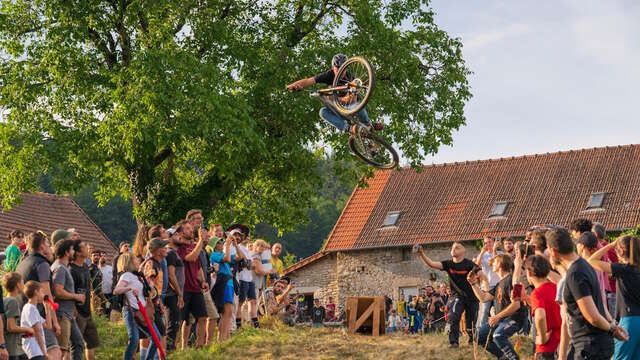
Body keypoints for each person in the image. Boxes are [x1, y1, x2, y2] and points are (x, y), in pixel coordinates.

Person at [546, 228, 626, 360]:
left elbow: (592, 316)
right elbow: (567, 317)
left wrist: (613, 330)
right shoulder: (583, 266)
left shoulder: (575, 274)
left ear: (553, 251)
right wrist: (561, 355)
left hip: (590, 346)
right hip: (588, 345)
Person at [286, 54, 383, 135]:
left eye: (343, 69)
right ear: (333, 68)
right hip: (338, 109)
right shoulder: (329, 75)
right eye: (338, 69)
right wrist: (294, 85)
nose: (341, 72)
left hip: (351, 105)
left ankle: (369, 124)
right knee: (323, 112)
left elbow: (352, 100)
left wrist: (340, 99)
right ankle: (348, 128)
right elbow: (308, 81)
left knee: (358, 105)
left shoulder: (350, 77)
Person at [588, 235, 640, 360]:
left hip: (629, 320)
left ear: (621, 251)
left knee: (620, 357)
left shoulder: (623, 269)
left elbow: (591, 261)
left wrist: (611, 245)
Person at [416, 243, 478, 347]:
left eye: (457, 247)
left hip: (471, 297)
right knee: (453, 316)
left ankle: (472, 339)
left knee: (470, 321)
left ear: (463, 251)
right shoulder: (448, 264)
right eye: (452, 248)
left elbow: (480, 274)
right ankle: (453, 342)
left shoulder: (469, 264)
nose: (454, 249)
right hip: (456, 296)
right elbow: (431, 264)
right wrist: (422, 254)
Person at [15, 232, 61, 360]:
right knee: (55, 352)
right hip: (37, 316)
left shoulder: (22, 263)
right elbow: (47, 294)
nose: (49, 246)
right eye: (47, 244)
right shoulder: (42, 264)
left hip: (21, 315)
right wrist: (55, 322)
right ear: (41, 247)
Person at [468, 254, 524, 360]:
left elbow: (516, 305)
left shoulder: (511, 280)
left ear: (500, 264)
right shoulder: (499, 284)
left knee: (498, 335)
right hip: (500, 320)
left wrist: (497, 317)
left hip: (514, 319)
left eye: (494, 262)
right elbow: (483, 298)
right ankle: (503, 357)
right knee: (479, 336)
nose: (491, 264)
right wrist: (473, 283)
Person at [113, 253, 159, 360]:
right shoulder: (126, 275)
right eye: (135, 258)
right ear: (129, 261)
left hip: (142, 311)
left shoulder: (137, 275)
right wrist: (129, 289)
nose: (137, 260)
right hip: (130, 311)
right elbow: (116, 290)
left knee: (156, 337)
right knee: (134, 340)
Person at [174, 220, 208, 349]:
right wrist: (200, 241)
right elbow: (190, 258)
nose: (191, 230)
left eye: (191, 228)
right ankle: (178, 347)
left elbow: (198, 266)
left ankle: (200, 347)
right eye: (188, 229)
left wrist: (203, 281)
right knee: (182, 320)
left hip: (195, 287)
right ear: (181, 232)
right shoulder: (180, 247)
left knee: (202, 317)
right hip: (183, 289)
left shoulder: (194, 246)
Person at [522, 255, 561, 360]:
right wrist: (526, 299)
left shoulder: (537, 293)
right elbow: (550, 307)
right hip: (561, 344)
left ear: (529, 273)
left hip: (547, 348)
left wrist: (543, 338)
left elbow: (540, 316)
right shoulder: (557, 287)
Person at [50, 240, 84, 360]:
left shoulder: (62, 267)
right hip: (61, 314)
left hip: (67, 314)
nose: (74, 251)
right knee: (61, 351)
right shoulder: (60, 268)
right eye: (72, 249)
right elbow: (58, 291)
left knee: (78, 343)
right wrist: (76, 297)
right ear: (66, 252)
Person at [69, 240, 99, 360]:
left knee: (91, 343)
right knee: (77, 345)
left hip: (87, 311)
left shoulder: (86, 266)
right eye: (84, 246)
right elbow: (70, 291)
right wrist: (75, 310)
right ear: (77, 252)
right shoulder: (71, 270)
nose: (88, 248)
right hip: (78, 313)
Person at [210, 235, 244, 342]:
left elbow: (240, 256)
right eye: (220, 242)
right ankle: (221, 338)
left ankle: (225, 336)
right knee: (226, 311)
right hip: (223, 283)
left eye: (222, 242)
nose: (222, 244)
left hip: (229, 283)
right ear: (215, 246)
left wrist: (236, 245)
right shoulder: (214, 255)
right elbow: (228, 259)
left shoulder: (223, 253)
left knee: (229, 312)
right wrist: (228, 245)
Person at [576, 232, 613, 322]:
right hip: (602, 309)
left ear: (581, 246)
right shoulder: (598, 264)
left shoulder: (583, 266)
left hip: (592, 311)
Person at [140, 238, 168, 359]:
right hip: (150, 305)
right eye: (163, 247)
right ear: (157, 251)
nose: (166, 249)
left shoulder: (158, 263)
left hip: (155, 302)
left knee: (160, 332)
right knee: (157, 334)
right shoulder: (151, 264)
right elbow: (148, 287)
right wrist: (153, 304)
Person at [164, 228, 186, 351]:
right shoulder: (170, 253)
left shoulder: (174, 253)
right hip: (171, 294)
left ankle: (171, 349)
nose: (179, 235)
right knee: (172, 324)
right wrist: (179, 294)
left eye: (179, 232)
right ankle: (168, 351)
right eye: (175, 234)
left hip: (174, 293)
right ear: (169, 237)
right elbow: (171, 275)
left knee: (175, 323)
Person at [4, 272, 33, 360]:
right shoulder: (13, 301)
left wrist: (23, 332)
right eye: (22, 282)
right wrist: (28, 329)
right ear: (17, 285)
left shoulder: (5, 300)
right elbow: (11, 327)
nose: (24, 285)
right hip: (13, 350)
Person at [21, 281, 52, 360]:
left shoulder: (33, 309)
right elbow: (37, 332)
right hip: (34, 350)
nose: (44, 295)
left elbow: (48, 326)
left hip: (38, 350)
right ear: (36, 292)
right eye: (42, 291)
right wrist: (44, 352)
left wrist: (47, 310)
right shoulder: (30, 308)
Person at [592, 222, 618, 318]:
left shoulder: (607, 249)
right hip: (608, 291)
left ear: (595, 234)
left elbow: (613, 272)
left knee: (612, 320)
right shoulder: (602, 248)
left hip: (611, 292)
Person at [474, 236, 500, 329]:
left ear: (493, 242)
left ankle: (497, 329)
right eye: (485, 243)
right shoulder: (482, 255)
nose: (487, 244)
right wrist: (481, 252)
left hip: (498, 285)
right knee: (485, 310)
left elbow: (497, 263)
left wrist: (494, 250)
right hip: (486, 286)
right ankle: (481, 331)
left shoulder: (499, 253)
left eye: (489, 242)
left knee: (498, 310)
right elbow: (476, 266)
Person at [98, 252, 113, 318]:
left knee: (108, 309)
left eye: (104, 256)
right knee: (101, 311)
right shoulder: (97, 269)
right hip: (100, 295)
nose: (103, 257)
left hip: (109, 294)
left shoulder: (110, 268)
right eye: (101, 256)